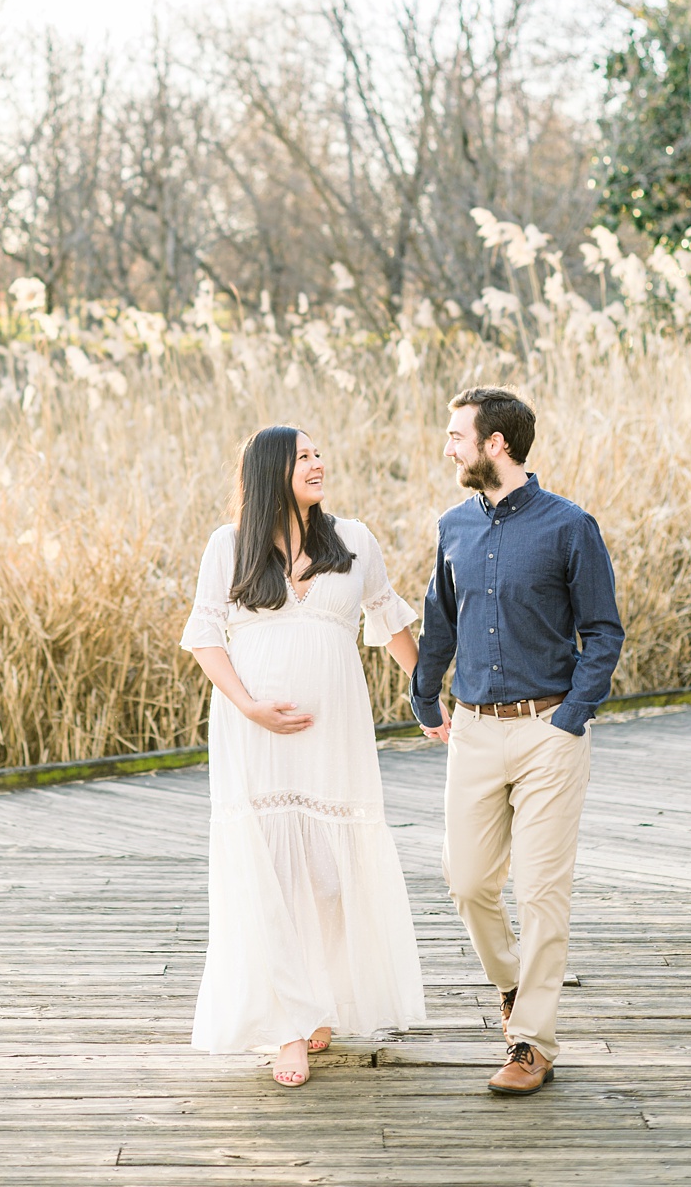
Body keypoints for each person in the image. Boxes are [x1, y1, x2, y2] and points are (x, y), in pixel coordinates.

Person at [181, 425, 428, 1086]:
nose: (319, 464)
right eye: (304, 457)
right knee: (269, 872)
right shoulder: (229, 546)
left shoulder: (354, 540)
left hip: (334, 734)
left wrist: (430, 698)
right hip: (254, 732)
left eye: (321, 454)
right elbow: (205, 635)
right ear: (270, 470)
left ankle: (319, 1000)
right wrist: (249, 705)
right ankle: (286, 1025)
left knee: (327, 874)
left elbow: (389, 619)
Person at [414, 385, 624, 1097]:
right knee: (468, 881)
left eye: (456, 436)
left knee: (540, 891)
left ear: (495, 444)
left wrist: (573, 715)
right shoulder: (452, 526)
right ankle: (512, 984)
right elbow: (438, 620)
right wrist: (423, 693)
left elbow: (603, 632)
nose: (448, 447)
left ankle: (531, 1041)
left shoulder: (570, 527)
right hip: (473, 730)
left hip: (549, 731)